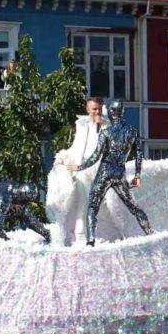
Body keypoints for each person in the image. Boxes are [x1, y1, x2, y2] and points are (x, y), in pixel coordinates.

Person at [69, 100, 153, 246]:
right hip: (119, 173)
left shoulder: (106, 132)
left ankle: (91, 240)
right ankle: (150, 233)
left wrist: (80, 167)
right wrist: (137, 176)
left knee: (92, 206)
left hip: (105, 172)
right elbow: (139, 154)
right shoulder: (132, 131)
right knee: (133, 206)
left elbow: (96, 156)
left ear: (111, 113)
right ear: (123, 111)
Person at [48, 97, 105, 246]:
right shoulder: (82, 125)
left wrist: (103, 127)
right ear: (88, 110)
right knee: (82, 203)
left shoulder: (108, 126)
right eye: (94, 109)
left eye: (99, 109)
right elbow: (76, 147)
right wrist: (62, 157)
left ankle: (96, 235)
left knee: (98, 205)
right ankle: (80, 236)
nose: (97, 112)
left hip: (100, 169)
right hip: (82, 169)